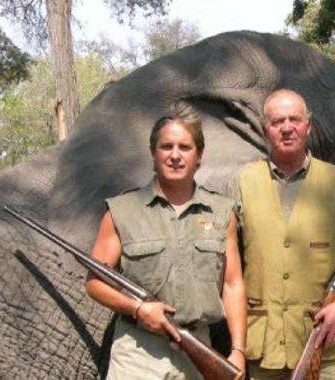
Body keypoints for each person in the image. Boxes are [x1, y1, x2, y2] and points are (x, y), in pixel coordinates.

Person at [85, 110, 247, 379]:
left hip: (199, 349)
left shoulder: (222, 211)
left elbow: (233, 285)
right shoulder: (121, 210)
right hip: (138, 352)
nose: (175, 155)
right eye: (166, 146)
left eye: (185, 147)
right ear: (153, 154)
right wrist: (137, 309)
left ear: (199, 156)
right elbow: (94, 283)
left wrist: (238, 349)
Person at [230, 89, 335, 379]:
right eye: (278, 121)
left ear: (308, 125)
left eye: (295, 119)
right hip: (263, 345)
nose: (287, 127)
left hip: (326, 342)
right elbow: (229, 265)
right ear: (265, 128)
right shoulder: (242, 182)